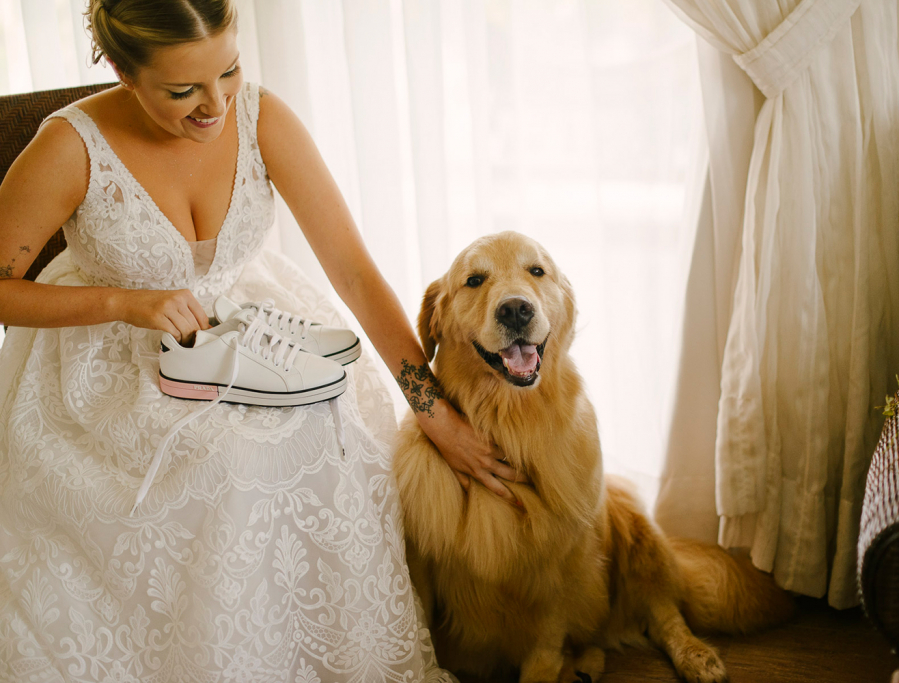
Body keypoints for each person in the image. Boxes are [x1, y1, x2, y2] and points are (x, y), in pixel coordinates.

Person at [0, 1, 526, 680]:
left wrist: (433, 410)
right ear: (121, 70)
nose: (215, 104)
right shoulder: (69, 146)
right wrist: (124, 302)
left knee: (335, 423)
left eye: (229, 69)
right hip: (110, 355)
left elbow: (355, 274)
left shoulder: (261, 117)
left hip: (255, 326)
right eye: (182, 89)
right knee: (233, 464)